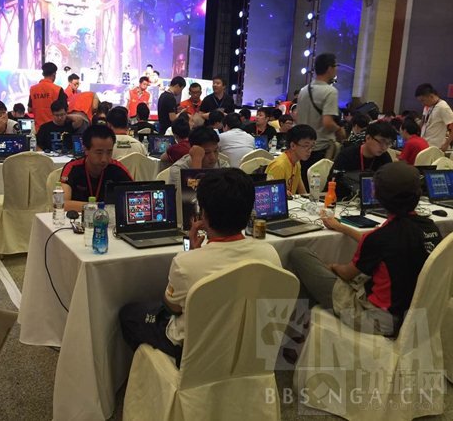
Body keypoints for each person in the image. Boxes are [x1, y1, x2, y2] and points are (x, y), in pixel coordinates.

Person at [119, 168, 281, 364]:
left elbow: (172, 308)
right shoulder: (270, 254)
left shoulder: (186, 263)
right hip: (252, 348)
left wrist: (193, 254)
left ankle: (157, 368)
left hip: (194, 349)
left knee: (129, 314)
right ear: (250, 212)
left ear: (203, 214)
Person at [289, 162, 442, 339]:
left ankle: (296, 337)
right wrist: (342, 228)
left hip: (377, 320)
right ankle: (300, 336)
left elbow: (347, 274)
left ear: (376, 195)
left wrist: (331, 267)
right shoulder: (431, 228)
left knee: (300, 256)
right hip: (418, 315)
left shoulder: (380, 237)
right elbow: (379, 245)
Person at [296, 53, 345, 188]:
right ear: (329, 68)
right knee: (316, 188)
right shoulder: (330, 92)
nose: (336, 69)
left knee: (303, 185)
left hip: (301, 147)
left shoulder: (304, 90)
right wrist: (339, 130)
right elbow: (327, 122)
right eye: (335, 66)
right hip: (320, 149)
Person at [60, 124, 133, 211]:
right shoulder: (73, 168)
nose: (104, 159)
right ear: (85, 149)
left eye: (109, 152)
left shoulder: (118, 169)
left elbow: (133, 199)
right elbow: (62, 204)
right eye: (99, 152)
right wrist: (99, 207)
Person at [327, 122, 397, 199]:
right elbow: (332, 183)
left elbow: (388, 185)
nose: (384, 147)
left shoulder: (385, 157)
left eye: (388, 143)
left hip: (372, 200)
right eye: (381, 142)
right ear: (368, 138)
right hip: (344, 200)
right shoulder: (347, 155)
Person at [266, 124, 317, 195]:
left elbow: (303, 192)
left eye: (312, 146)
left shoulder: (297, 163)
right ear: (293, 145)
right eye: (306, 146)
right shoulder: (279, 166)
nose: (310, 150)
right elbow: (272, 195)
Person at [28, 62, 67, 132]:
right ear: (54, 74)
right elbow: (65, 109)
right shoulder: (58, 89)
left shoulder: (33, 89)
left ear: (43, 74)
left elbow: (29, 109)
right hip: (54, 129)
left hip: (39, 130)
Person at [415, 83, 453, 151]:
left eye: (423, 100)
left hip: (435, 147)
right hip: (424, 144)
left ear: (431, 96)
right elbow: (423, 122)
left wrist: (446, 144)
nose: (422, 104)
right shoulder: (428, 106)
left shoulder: (443, 107)